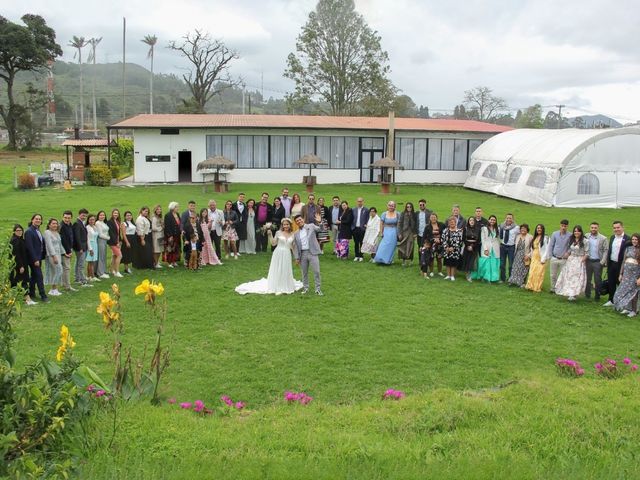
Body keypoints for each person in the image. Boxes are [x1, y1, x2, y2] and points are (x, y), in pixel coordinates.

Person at [235, 218, 303, 295]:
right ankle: (276, 284)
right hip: (278, 253)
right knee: (277, 268)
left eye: (287, 224)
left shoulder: (293, 234)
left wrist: (296, 257)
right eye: (284, 224)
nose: (286, 226)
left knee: (285, 268)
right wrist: (270, 235)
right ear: (282, 225)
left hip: (287, 254)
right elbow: (273, 243)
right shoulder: (278, 233)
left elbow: (293, 247)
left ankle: (284, 284)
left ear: (290, 225)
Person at [555, 225, 588, 301]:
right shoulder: (572, 240)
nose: (576, 232)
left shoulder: (585, 241)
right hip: (571, 260)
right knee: (569, 277)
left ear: (581, 232)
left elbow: (587, 253)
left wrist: (582, 260)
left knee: (576, 278)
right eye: (575, 231)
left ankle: (574, 294)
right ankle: (568, 292)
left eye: (578, 231)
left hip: (579, 260)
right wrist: (566, 254)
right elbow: (570, 250)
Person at [293, 214, 323, 295]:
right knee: (304, 272)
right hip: (303, 254)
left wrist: (320, 222)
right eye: (297, 221)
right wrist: (297, 258)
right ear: (296, 223)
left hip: (312, 252)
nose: (299, 221)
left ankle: (318, 289)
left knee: (316, 271)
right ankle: (306, 288)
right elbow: (295, 247)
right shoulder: (296, 233)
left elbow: (321, 229)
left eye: (300, 219)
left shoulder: (311, 226)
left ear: (303, 219)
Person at [613, 233, 640, 317]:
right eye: (633, 239)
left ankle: (634, 310)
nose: (634, 241)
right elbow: (623, 262)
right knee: (624, 290)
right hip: (626, 274)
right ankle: (627, 308)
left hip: (635, 275)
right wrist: (621, 273)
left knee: (633, 292)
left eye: (636, 239)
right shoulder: (628, 248)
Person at [603, 221, 630, 307]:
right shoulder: (612, 237)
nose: (616, 229)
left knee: (621, 283)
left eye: (618, 227)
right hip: (612, 264)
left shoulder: (628, 239)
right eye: (614, 228)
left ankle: (624, 302)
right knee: (611, 282)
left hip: (621, 265)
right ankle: (611, 300)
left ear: (622, 227)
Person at [10, 224, 35, 305]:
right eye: (17, 230)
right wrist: (20, 266)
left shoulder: (20, 240)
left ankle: (19, 299)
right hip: (18, 266)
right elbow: (16, 254)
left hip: (22, 265)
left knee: (18, 283)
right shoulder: (15, 240)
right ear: (14, 232)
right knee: (22, 282)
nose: (20, 232)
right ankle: (28, 299)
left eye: (21, 230)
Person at [584, 222, 608, 301]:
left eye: (595, 228)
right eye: (592, 227)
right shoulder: (586, 236)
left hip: (598, 262)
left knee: (597, 280)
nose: (593, 229)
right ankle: (587, 294)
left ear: (598, 228)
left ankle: (597, 295)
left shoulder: (603, 238)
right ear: (590, 228)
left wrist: (602, 261)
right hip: (588, 261)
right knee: (587, 279)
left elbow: (606, 250)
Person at [548, 219, 571, 293]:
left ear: (567, 226)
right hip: (554, 257)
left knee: (563, 275)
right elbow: (551, 245)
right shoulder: (555, 234)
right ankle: (553, 288)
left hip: (563, 259)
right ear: (560, 225)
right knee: (553, 275)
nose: (563, 227)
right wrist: (550, 256)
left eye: (565, 226)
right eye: (562, 226)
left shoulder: (570, 235)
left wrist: (568, 253)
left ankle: (561, 288)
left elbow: (571, 246)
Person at [475, 215, 500, 283]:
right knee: (485, 263)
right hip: (487, 247)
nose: (492, 221)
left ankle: (493, 278)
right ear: (488, 220)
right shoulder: (484, 228)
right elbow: (483, 240)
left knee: (494, 264)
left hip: (495, 249)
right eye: (491, 219)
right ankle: (485, 277)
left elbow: (498, 239)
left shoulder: (497, 229)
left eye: (494, 220)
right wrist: (485, 249)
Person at [525, 224, 549, 293]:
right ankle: (530, 286)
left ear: (543, 229)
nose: (539, 229)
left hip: (541, 257)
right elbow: (532, 249)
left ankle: (536, 287)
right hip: (534, 257)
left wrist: (543, 259)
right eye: (538, 228)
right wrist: (529, 256)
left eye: (540, 228)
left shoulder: (545, 238)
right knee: (532, 272)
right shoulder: (535, 237)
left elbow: (547, 249)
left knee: (539, 273)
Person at [43, 218, 64, 296]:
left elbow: (60, 244)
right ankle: (53, 289)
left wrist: (64, 253)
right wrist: (54, 256)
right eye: (53, 223)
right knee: (59, 270)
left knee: (56, 271)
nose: (55, 225)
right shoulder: (47, 232)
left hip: (58, 254)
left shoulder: (56, 233)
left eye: (56, 223)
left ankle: (55, 289)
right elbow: (49, 245)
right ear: (49, 225)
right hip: (51, 255)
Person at [374, 201, 398, 265]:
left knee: (391, 246)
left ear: (394, 206)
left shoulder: (397, 214)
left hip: (394, 232)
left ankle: (388, 260)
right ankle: (380, 259)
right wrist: (381, 232)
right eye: (389, 205)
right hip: (386, 231)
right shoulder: (384, 214)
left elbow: (399, 224)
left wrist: (398, 233)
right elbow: (381, 224)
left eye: (392, 205)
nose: (391, 207)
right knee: (383, 246)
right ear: (387, 206)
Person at [59, 210, 77, 292]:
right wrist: (67, 251)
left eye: (69, 218)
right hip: (64, 251)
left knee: (65, 268)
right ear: (62, 217)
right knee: (67, 268)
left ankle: (64, 283)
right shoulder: (62, 226)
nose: (67, 219)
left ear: (71, 218)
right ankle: (68, 286)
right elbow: (63, 240)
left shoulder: (69, 225)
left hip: (69, 249)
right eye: (65, 218)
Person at [441, 216, 463, 280]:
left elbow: (460, 241)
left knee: (453, 263)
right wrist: (446, 247)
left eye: (453, 222)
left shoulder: (459, 231)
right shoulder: (445, 231)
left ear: (455, 223)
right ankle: (448, 275)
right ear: (448, 223)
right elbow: (443, 239)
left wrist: (453, 248)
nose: (452, 223)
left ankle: (452, 275)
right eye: (450, 222)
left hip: (455, 250)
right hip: (447, 250)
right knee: (447, 262)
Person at [499, 213, 519, 283]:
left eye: (510, 218)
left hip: (511, 247)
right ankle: (502, 278)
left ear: (512, 219)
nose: (508, 219)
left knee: (511, 265)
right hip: (503, 246)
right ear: (505, 218)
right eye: (507, 218)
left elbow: (520, 235)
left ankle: (511, 279)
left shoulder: (516, 228)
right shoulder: (501, 226)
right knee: (502, 264)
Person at [72, 208, 89, 286]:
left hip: (83, 246)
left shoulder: (81, 223)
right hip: (80, 247)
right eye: (83, 215)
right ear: (79, 214)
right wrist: (80, 248)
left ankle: (77, 278)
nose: (84, 217)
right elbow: (77, 237)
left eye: (85, 216)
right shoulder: (77, 223)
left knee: (78, 263)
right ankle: (83, 280)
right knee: (81, 264)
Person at [460, 217, 480, 282]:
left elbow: (478, 240)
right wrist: (468, 245)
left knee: (472, 261)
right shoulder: (465, 229)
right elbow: (463, 239)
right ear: (468, 221)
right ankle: (467, 275)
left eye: (473, 220)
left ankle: (471, 275)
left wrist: (472, 246)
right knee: (467, 261)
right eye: (470, 220)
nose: (471, 221)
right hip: (467, 247)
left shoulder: (478, 229)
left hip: (474, 247)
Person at [397, 202, 417, 266]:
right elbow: (399, 223)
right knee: (404, 245)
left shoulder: (414, 214)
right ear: (406, 207)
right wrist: (399, 233)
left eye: (410, 207)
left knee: (410, 246)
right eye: (408, 207)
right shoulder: (403, 213)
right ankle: (404, 260)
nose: (409, 208)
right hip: (404, 232)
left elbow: (416, 224)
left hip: (411, 232)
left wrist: (415, 233)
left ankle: (410, 260)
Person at [163, 202, 182, 268]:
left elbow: (180, 223)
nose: (177, 208)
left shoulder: (177, 214)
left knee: (176, 248)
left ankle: (174, 261)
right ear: (172, 207)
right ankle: (169, 262)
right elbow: (167, 226)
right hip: (171, 235)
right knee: (170, 248)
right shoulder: (168, 215)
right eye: (176, 207)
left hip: (177, 234)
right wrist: (170, 235)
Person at [351, 197, 369, 262]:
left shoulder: (366, 210)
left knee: (361, 242)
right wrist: (352, 228)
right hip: (355, 228)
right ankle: (356, 255)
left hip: (362, 229)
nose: (359, 202)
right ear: (356, 202)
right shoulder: (353, 209)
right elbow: (351, 218)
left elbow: (368, 219)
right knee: (356, 243)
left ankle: (361, 255)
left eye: (361, 201)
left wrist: (365, 226)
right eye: (358, 201)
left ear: (363, 202)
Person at [106, 209, 123, 277]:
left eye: (117, 213)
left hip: (117, 241)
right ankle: (117, 271)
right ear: (112, 214)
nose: (116, 214)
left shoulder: (117, 221)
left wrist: (120, 240)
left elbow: (118, 233)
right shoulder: (109, 222)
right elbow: (111, 233)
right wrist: (116, 243)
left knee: (114, 256)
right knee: (119, 255)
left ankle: (111, 270)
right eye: (114, 213)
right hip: (113, 242)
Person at [95, 211, 110, 278]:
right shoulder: (98, 223)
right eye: (100, 215)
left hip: (104, 241)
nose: (102, 216)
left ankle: (103, 270)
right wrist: (108, 238)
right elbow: (100, 234)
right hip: (100, 240)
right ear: (98, 216)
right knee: (100, 256)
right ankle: (100, 273)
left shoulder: (103, 223)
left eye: (103, 215)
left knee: (103, 255)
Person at [151, 204, 165, 269]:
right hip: (156, 236)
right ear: (155, 210)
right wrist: (161, 227)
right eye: (157, 209)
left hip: (161, 235)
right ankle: (155, 263)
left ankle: (157, 262)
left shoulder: (160, 217)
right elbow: (153, 228)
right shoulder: (154, 218)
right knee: (156, 250)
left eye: (160, 209)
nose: (159, 210)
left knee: (160, 250)